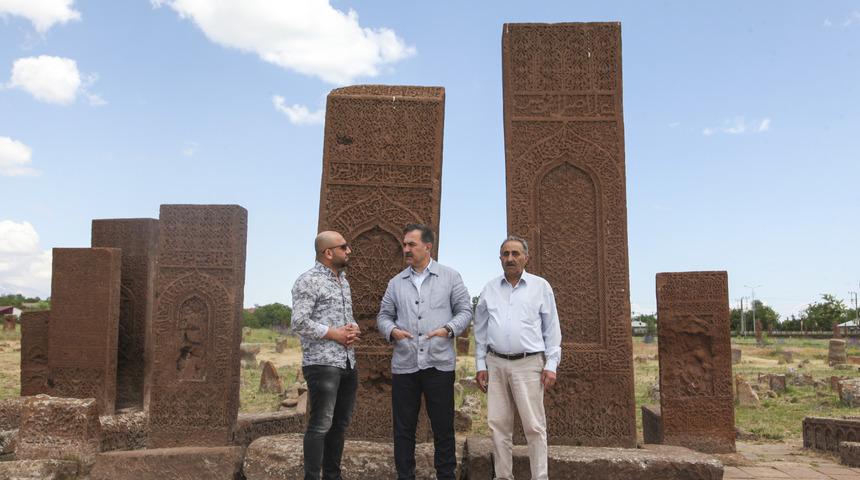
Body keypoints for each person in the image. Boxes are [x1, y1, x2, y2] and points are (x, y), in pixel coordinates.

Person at [377, 223, 472, 480]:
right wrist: (392, 330)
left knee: (443, 428)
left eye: (411, 244)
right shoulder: (396, 283)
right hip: (405, 365)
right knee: (404, 429)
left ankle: (446, 476)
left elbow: (465, 310)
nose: (405, 249)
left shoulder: (451, 277)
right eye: (405, 244)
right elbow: (384, 316)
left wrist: (449, 329)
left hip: (439, 365)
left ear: (427, 246)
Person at [473, 235, 562, 480]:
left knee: (534, 426)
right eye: (505, 254)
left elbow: (551, 329)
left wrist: (551, 364)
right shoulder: (489, 288)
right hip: (496, 362)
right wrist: (481, 364)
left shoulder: (540, 287)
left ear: (526, 257)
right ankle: (503, 476)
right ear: (500, 258)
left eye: (515, 254)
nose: (510, 258)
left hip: (529, 363)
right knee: (498, 425)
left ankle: (540, 477)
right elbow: (480, 330)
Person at [291, 230, 362, 480]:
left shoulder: (343, 281)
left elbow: (344, 317)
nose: (349, 250)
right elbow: (298, 322)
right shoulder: (308, 280)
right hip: (322, 363)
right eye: (344, 247)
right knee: (320, 425)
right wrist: (334, 334)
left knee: (339, 426)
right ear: (328, 252)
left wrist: (353, 328)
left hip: (346, 360)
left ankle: (333, 476)